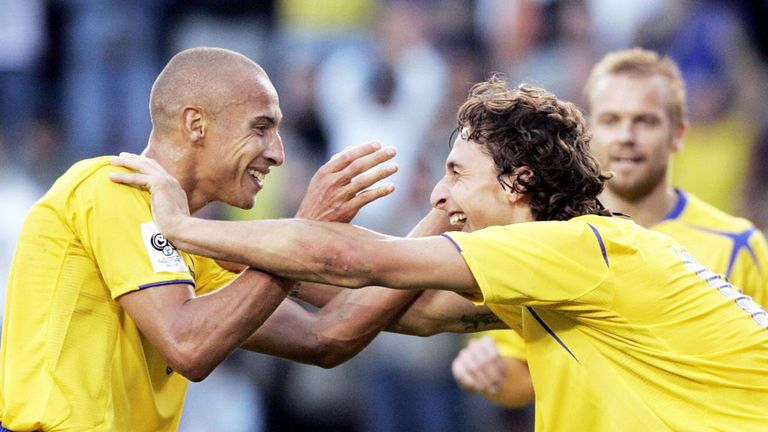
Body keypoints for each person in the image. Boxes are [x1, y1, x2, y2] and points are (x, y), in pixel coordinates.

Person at [110, 75, 768, 431]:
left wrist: (184, 227)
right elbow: (399, 311)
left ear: (518, 184)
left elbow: (350, 262)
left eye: (455, 172)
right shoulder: (553, 272)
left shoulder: (581, 247)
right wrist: (219, 264)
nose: (439, 191)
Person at [0, 46, 429, 432]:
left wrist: (443, 215)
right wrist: (301, 235)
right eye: (261, 128)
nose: (278, 152)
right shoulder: (112, 187)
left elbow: (326, 336)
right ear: (196, 124)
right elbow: (188, 344)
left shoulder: (192, 249)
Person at [450, 47, 768, 411]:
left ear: (677, 134)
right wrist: (489, 371)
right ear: (587, 134)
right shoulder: (547, 236)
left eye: (645, 121)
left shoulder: (738, 246)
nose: (626, 135)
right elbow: (524, 379)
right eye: (611, 120)